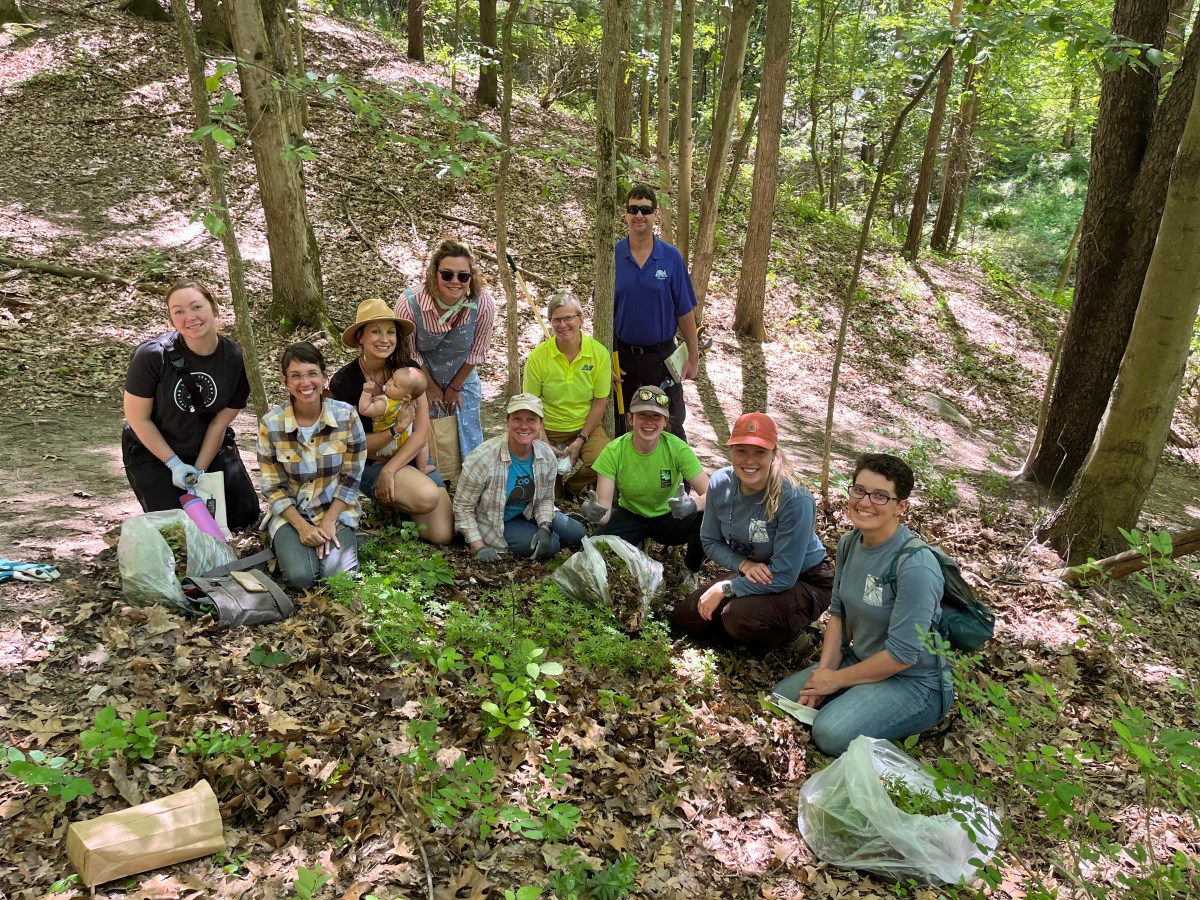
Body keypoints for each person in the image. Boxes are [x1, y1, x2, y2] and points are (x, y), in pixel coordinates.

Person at [771, 453, 952, 757]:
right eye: (859, 490)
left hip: (913, 683)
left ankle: (896, 713)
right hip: (862, 659)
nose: (865, 502)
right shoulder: (850, 543)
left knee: (829, 733)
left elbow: (902, 655)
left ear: (901, 507)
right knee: (782, 700)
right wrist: (824, 675)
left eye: (880, 496)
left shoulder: (915, 566)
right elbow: (839, 614)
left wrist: (836, 680)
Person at [671, 412, 832, 651]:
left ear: (773, 453)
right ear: (731, 451)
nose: (749, 460)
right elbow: (710, 540)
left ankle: (790, 638)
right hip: (755, 571)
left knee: (738, 617)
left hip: (804, 579)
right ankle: (746, 628)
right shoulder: (720, 483)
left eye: (759, 452)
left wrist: (726, 588)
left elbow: (785, 575)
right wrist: (744, 566)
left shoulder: (794, 498)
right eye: (741, 450)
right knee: (684, 619)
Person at [121, 280, 259, 530]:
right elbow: (137, 418)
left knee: (243, 516)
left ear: (214, 309)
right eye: (179, 311)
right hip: (155, 452)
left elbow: (219, 422)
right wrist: (174, 464)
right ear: (171, 319)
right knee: (179, 526)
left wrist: (198, 473)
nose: (190, 317)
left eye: (197, 307)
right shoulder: (152, 356)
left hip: (206, 446)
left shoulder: (237, 358)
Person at [328, 299, 453, 545]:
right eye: (375, 331)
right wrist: (395, 431)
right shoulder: (344, 382)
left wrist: (392, 468)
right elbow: (354, 445)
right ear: (360, 338)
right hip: (370, 461)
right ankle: (391, 496)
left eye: (390, 332)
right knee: (426, 496)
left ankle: (397, 502)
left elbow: (421, 429)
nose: (384, 339)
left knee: (441, 535)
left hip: (409, 455)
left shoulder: (408, 370)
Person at [258, 343, 366, 590]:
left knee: (338, 580)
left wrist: (329, 521)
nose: (305, 382)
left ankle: (346, 538)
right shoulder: (271, 424)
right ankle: (288, 542)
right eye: (295, 375)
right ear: (285, 381)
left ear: (324, 377)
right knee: (301, 578)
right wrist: (303, 527)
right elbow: (273, 487)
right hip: (291, 514)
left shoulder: (346, 417)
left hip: (336, 509)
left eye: (312, 373)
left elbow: (352, 476)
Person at [581, 385, 709, 591]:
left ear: (665, 422)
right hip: (631, 514)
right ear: (631, 419)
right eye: (642, 415)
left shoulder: (677, 448)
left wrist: (693, 505)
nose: (649, 422)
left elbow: (711, 493)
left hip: (670, 515)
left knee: (709, 517)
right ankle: (635, 548)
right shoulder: (613, 452)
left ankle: (690, 569)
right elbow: (604, 511)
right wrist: (594, 513)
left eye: (656, 417)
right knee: (594, 552)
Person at [395, 237, 496, 461]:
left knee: (468, 440)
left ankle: (471, 487)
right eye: (447, 274)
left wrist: (455, 387)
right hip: (421, 375)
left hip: (463, 375)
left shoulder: (483, 304)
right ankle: (435, 485)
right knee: (427, 438)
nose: (455, 281)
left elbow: (477, 352)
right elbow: (410, 352)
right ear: (435, 273)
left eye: (463, 276)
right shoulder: (410, 304)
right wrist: (429, 388)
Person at [453, 394, 586, 561]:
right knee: (552, 546)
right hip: (495, 520)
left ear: (540, 424)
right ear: (508, 421)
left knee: (577, 533)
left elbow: (545, 499)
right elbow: (462, 508)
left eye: (531, 420)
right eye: (517, 419)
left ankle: (551, 525)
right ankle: (537, 530)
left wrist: (544, 527)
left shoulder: (546, 455)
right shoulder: (482, 458)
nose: (524, 426)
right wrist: (478, 546)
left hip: (529, 508)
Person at [613, 183, 700, 441]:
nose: (639, 215)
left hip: (662, 356)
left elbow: (685, 311)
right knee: (622, 421)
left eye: (645, 210)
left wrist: (693, 356)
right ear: (626, 214)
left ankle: (680, 479)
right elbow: (603, 313)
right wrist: (606, 358)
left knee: (671, 419)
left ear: (654, 214)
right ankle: (621, 480)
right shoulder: (613, 255)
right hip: (622, 356)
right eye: (633, 209)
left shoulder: (671, 257)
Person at [522, 290, 612, 496]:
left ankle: (573, 488)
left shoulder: (599, 354)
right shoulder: (538, 357)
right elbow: (531, 406)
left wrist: (581, 438)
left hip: (584, 426)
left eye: (568, 318)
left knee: (603, 460)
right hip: (548, 428)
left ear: (581, 318)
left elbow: (600, 402)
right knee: (549, 489)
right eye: (556, 320)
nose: (562, 325)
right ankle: (558, 493)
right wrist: (544, 443)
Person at [357, 364, 430, 464]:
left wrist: (367, 392)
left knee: (365, 440)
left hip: (387, 446)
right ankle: (422, 467)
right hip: (405, 443)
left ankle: (382, 460)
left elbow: (363, 409)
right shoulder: (410, 402)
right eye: (391, 378)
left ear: (406, 397)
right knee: (424, 443)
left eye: (395, 385)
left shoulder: (384, 404)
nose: (389, 383)